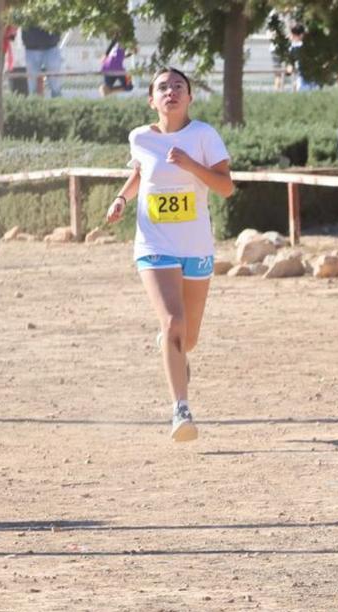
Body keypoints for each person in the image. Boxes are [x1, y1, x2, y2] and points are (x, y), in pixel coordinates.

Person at [104, 68, 235, 442]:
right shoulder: (140, 138)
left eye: (179, 86)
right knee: (173, 322)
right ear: (151, 100)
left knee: (187, 338)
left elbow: (226, 187)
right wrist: (121, 198)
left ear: (190, 97)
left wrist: (190, 165)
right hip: (155, 244)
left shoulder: (204, 135)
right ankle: (181, 408)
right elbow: (141, 175)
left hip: (195, 246)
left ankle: (172, 350)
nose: (171, 91)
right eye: (163, 87)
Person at [21, 25, 63, 98]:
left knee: (55, 83)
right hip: (31, 48)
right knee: (32, 84)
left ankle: (57, 106)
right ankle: (33, 106)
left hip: (51, 46)